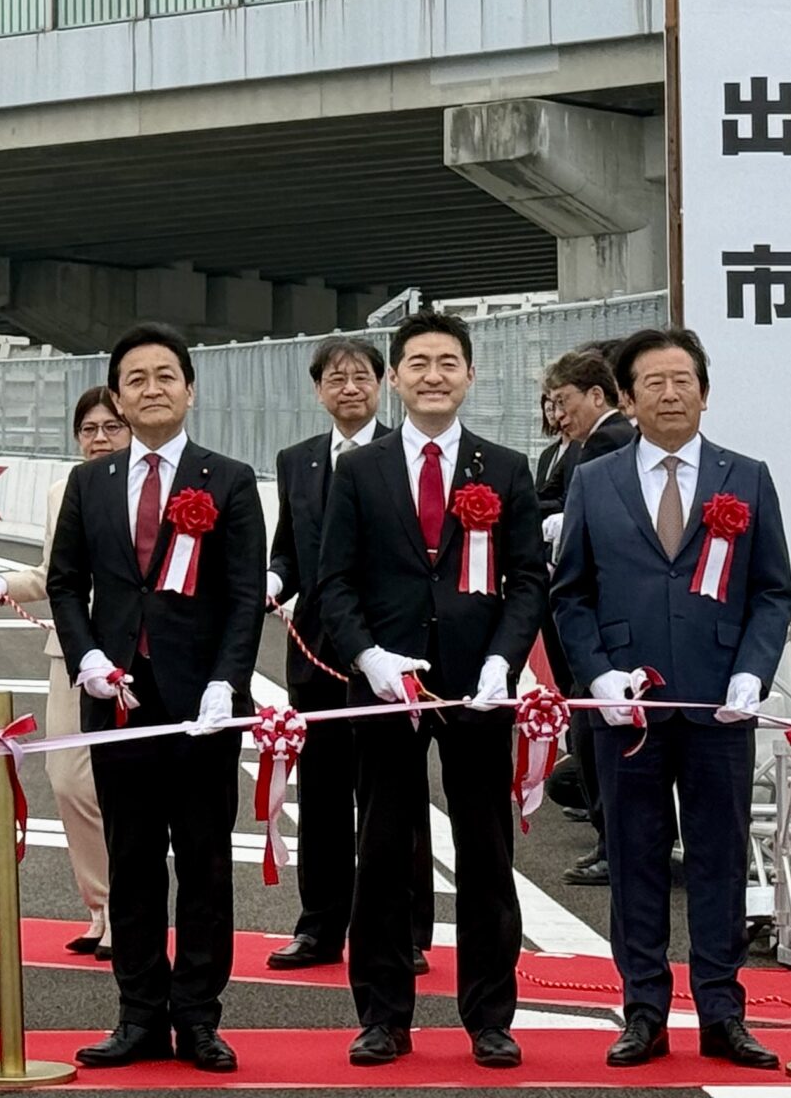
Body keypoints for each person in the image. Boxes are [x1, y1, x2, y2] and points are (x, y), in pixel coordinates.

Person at [553, 327, 791, 1073]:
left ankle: (723, 1012)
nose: (669, 393)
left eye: (683, 379)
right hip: (628, 712)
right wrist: (596, 678)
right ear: (626, 397)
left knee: (720, 861)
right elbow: (571, 596)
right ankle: (644, 1011)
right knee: (635, 859)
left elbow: (771, 590)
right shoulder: (596, 482)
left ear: (704, 391)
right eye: (652, 382)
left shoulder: (745, 477)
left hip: (719, 706)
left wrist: (752, 672)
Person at [314, 310, 543, 1072]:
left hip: (478, 685)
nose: (433, 374)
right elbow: (333, 582)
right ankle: (382, 1015)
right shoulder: (360, 470)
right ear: (397, 378)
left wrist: (503, 662)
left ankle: (489, 1017)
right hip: (386, 682)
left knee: (486, 851)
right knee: (379, 848)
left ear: (470, 375)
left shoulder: (506, 469)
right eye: (418, 362)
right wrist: (367, 658)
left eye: (448, 361)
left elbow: (528, 582)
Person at [47, 324, 262, 1074]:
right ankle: (138, 1015)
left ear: (190, 389)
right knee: (133, 862)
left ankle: (199, 1018)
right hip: (118, 702)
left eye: (165, 375)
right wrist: (89, 657)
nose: (151, 389)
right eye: (135, 379)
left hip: (202, 706)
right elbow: (65, 584)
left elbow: (242, 597)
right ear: (117, 396)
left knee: (203, 864)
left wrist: (225, 684)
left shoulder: (228, 480)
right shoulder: (90, 482)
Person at [263, 338, 433, 977]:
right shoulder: (297, 461)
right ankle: (320, 926)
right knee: (325, 793)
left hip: (388, 651)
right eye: (335, 379)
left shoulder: (403, 454)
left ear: (382, 384)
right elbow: (290, 547)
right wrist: (275, 581)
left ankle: (406, 928)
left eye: (361, 377)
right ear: (318, 391)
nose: (349, 388)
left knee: (393, 793)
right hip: (317, 651)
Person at [0, 385, 122, 954]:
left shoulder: (160, 485)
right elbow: (48, 575)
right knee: (68, 781)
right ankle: (101, 904)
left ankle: (129, 908)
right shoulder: (65, 488)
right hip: (73, 656)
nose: (99, 439)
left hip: (142, 659)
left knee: (130, 787)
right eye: (88, 429)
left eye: (111, 427)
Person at [536, 346, 637, 888]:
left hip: (598, 611)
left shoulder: (608, 441)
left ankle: (611, 842)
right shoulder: (586, 444)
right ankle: (609, 838)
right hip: (587, 607)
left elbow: (581, 513)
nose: (558, 415)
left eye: (564, 402)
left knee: (599, 731)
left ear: (596, 394)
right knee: (589, 727)